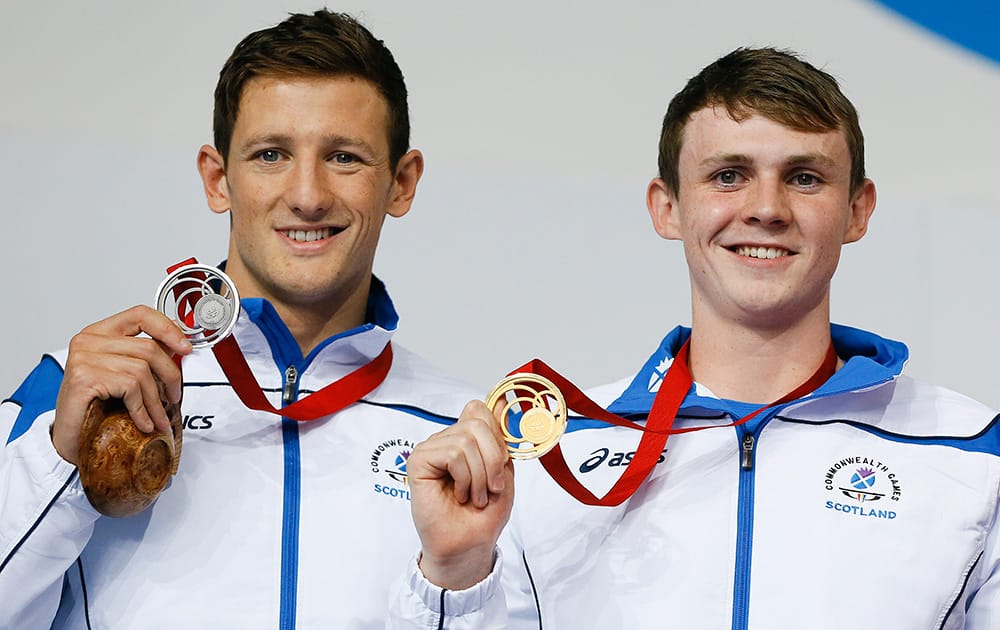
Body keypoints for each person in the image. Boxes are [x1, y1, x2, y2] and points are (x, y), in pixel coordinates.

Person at [389, 47, 1000, 628]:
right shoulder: (552, 459)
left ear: (858, 210)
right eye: (729, 175)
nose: (767, 208)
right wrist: (453, 573)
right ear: (667, 208)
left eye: (805, 177)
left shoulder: (973, 457)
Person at [0, 9, 479, 629]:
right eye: (271, 154)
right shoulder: (75, 392)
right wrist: (58, 467)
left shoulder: (466, 434)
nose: (307, 194)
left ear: (402, 183)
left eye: (344, 157)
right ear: (218, 178)